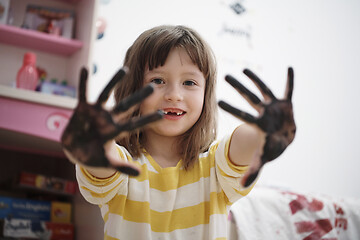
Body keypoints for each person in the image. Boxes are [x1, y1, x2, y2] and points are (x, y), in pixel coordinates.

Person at [61, 25, 296, 240]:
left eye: (189, 83)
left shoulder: (215, 167)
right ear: (133, 90)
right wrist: (90, 143)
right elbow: (101, 164)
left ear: (206, 94)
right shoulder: (122, 166)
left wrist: (262, 135)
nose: (174, 94)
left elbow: (242, 147)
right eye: (157, 80)